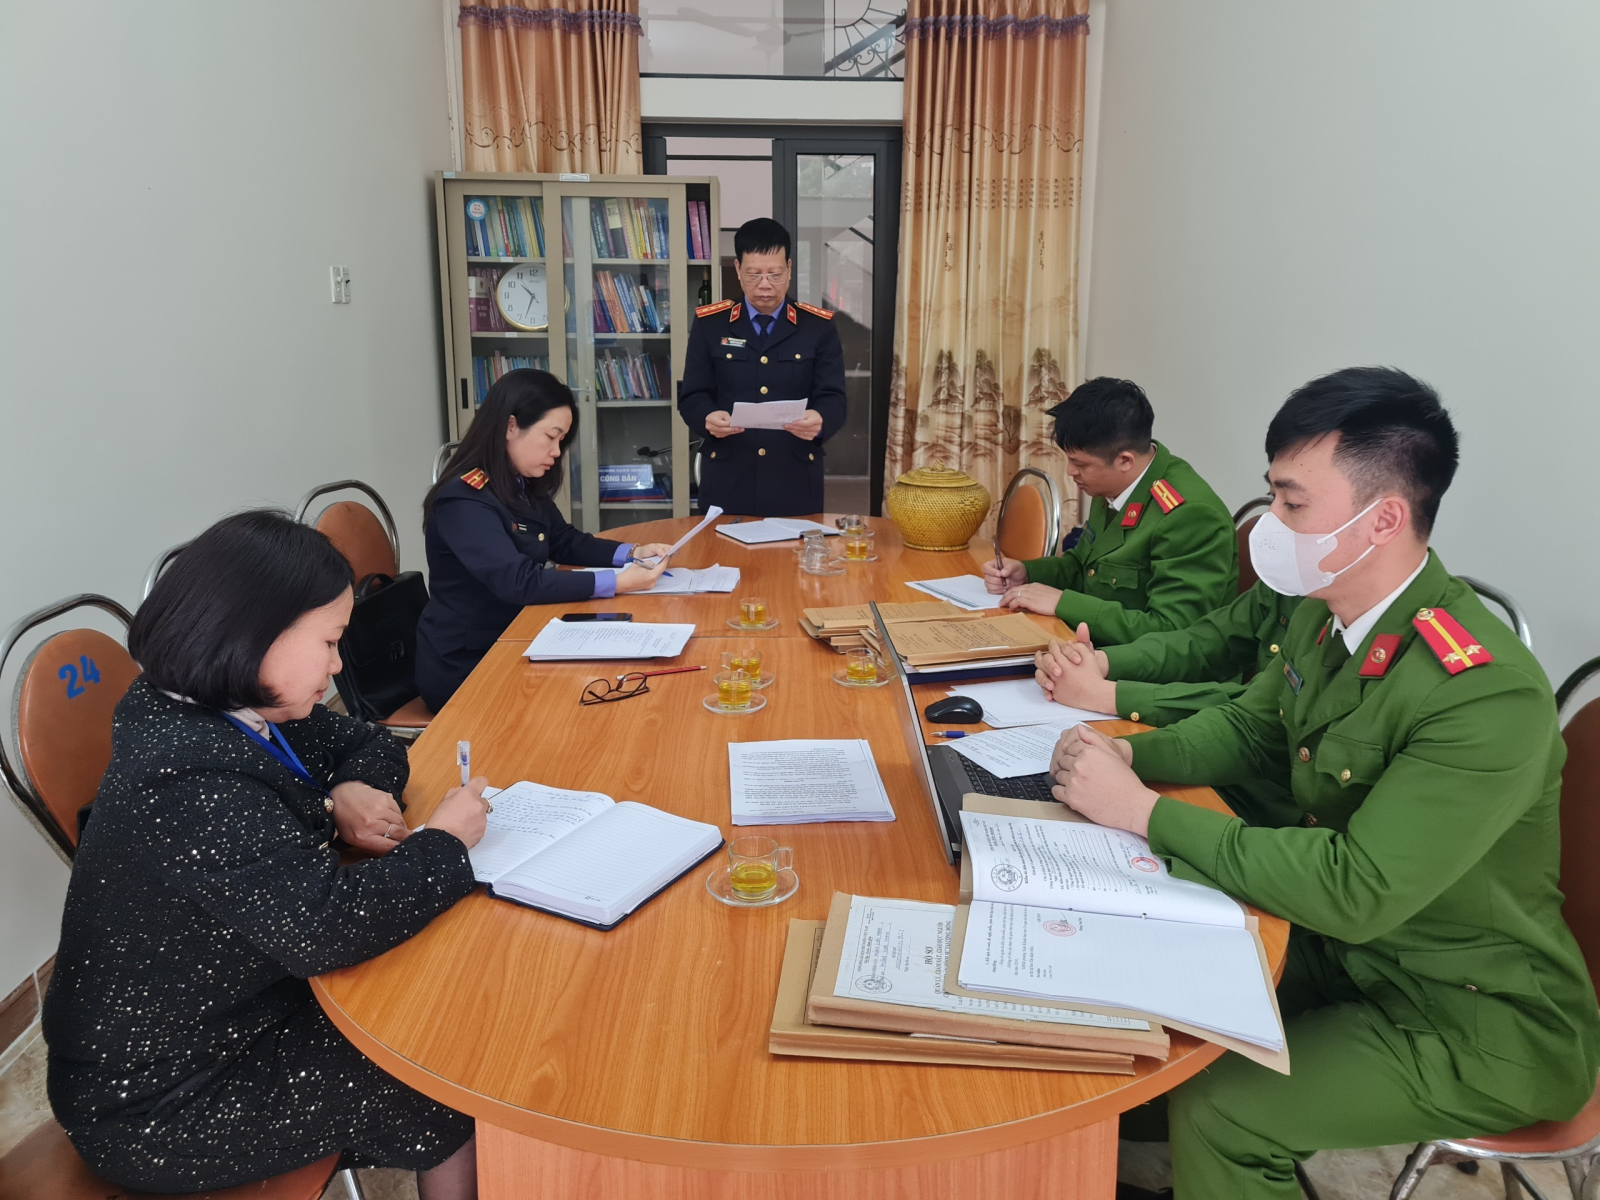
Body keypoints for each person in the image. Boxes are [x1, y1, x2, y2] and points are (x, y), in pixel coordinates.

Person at [1047, 367, 1599, 1200]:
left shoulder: (1485, 692)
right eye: (1273, 495)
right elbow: (1249, 727)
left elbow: (1357, 887)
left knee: (1222, 1111)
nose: (1269, 525)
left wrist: (1145, 813)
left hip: (1466, 1013)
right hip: (1343, 952)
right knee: (1137, 995)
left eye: (1292, 503)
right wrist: (1131, 759)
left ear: (1384, 519)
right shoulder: (1324, 610)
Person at [43, 510, 494, 1199]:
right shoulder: (185, 773)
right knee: (442, 1076)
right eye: (330, 642)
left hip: (240, 1014)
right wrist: (445, 844)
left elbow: (367, 742)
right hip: (160, 1101)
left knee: (437, 1004)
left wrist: (347, 790)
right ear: (256, 636)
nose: (338, 665)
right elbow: (327, 928)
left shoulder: (233, 706)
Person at [415, 369, 673, 710]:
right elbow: (518, 581)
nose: (556, 452)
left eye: (561, 441)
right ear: (510, 426)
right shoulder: (464, 498)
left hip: (517, 635)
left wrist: (632, 552)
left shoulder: (516, 481)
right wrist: (620, 582)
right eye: (551, 437)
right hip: (468, 663)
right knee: (600, 694)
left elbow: (562, 540)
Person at [982, 377, 1236, 645]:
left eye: (1080, 464)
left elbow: (1171, 633)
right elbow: (1085, 567)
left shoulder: (1190, 516)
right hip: (1097, 644)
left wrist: (1064, 603)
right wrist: (1027, 573)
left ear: (1124, 460)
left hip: (1143, 665)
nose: (1071, 472)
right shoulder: (1113, 483)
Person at [1032, 580, 1305, 827]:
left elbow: (1250, 712)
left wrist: (1107, 694)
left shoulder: (1317, 601)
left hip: (1270, 815)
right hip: (1220, 773)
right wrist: (1098, 664)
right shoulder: (1306, 598)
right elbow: (1206, 645)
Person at [677, 217, 847, 517]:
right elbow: (693, 395)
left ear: (790, 269)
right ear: (738, 270)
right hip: (728, 478)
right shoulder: (711, 324)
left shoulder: (817, 327)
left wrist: (820, 420)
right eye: (754, 274)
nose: (765, 285)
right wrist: (706, 417)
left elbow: (834, 397)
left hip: (794, 478)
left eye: (775, 274)